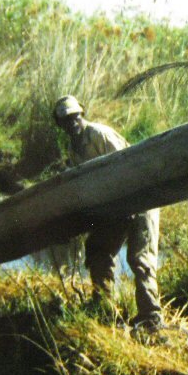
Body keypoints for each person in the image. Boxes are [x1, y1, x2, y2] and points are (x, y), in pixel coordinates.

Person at [52, 94, 163, 333]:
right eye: (66, 120)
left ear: (82, 114)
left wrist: (129, 206)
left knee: (140, 259)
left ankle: (151, 318)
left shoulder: (99, 135)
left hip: (141, 196)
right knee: (98, 250)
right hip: (117, 205)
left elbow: (129, 168)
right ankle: (104, 306)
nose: (73, 123)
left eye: (75, 117)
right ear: (60, 124)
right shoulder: (74, 147)